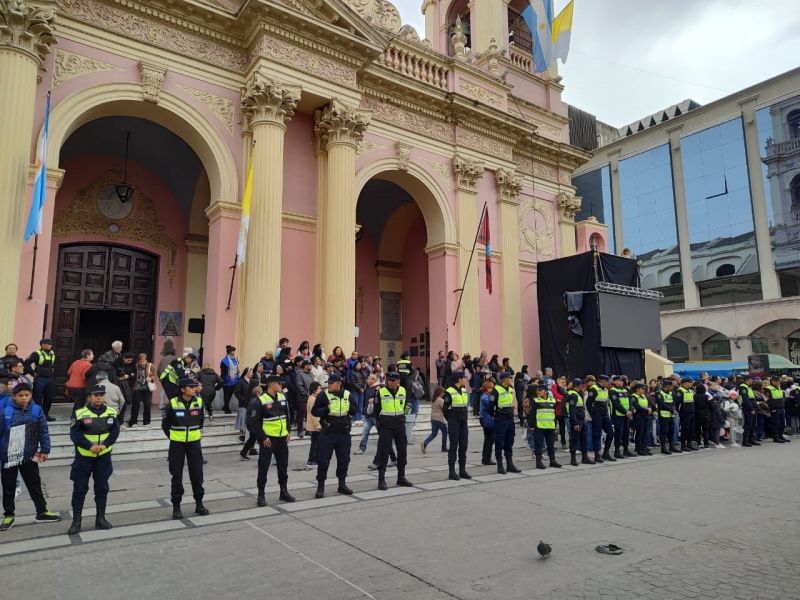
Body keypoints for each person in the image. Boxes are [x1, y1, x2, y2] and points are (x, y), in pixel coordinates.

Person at [0, 383, 61, 530]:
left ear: (31, 395)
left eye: (27, 395)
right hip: (9, 455)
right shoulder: (5, 411)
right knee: (8, 486)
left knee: (34, 484)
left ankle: (42, 512)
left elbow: (43, 431)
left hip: (28, 454)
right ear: (14, 396)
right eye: (20, 395)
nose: (24, 398)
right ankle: (9, 514)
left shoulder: (36, 409)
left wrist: (45, 450)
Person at [67, 384, 120, 535]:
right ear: (89, 397)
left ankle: (100, 518)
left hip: (103, 457)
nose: (99, 398)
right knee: (80, 489)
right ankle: (76, 521)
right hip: (84, 457)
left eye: (101, 395)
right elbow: (75, 435)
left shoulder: (111, 412)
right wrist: (90, 446)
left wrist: (104, 445)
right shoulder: (79, 413)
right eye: (95, 395)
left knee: (102, 488)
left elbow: (114, 433)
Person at [162, 378, 209, 519]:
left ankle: (199, 504)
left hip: (194, 443)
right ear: (182, 389)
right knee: (176, 476)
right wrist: (174, 436)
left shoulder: (199, 402)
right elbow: (165, 425)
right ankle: (176, 507)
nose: (194, 389)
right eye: (190, 387)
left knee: (197, 474)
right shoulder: (172, 404)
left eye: (194, 386)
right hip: (177, 444)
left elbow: (201, 421)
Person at [248, 375, 295, 506]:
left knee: (283, 467)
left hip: (282, 439)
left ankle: (283, 491)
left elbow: (287, 416)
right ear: (272, 384)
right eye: (280, 384)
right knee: (263, 468)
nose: (281, 386)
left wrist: (288, 431)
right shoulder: (259, 401)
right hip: (268, 440)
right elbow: (253, 423)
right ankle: (261, 495)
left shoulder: (282, 397)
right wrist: (262, 437)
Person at [311, 372, 356, 498]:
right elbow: (314, 411)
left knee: (344, 460)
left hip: (343, 433)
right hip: (328, 433)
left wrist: (350, 410)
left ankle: (342, 484)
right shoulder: (323, 395)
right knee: (323, 460)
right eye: (328, 383)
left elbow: (355, 409)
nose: (329, 385)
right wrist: (326, 409)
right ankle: (320, 487)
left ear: (339, 383)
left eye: (331, 383)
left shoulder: (348, 395)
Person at [374, 372, 413, 490]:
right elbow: (376, 412)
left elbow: (405, 405)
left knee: (402, 451)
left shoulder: (403, 391)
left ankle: (401, 477)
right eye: (389, 380)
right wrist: (380, 426)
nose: (390, 382)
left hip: (399, 425)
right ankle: (381, 480)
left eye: (393, 380)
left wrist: (403, 418)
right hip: (386, 426)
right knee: (384, 452)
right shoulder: (380, 392)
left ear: (398, 381)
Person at [443, 371, 471, 481]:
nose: (465, 379)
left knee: (463, 446)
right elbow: (445, 409)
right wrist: (451, 419)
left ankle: (462, 470)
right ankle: (452, 471)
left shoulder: (464, 390)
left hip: (464, 422)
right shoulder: (449, 391)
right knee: (453, 446)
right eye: (464, 378)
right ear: (459, 379)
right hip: (454, 422)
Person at [492, 372, 520, 474]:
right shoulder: (496, 389)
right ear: (504, 379)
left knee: (509, 441)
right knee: (499, 442)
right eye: (510, 378)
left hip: (510, 418)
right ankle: (500, 465)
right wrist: (496, 415)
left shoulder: (511, 389)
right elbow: (491, 405)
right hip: (501, 418)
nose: (511, 379)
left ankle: (510, 464)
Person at [528, 383, 560, 469]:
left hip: (550, 426)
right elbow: (532, 414)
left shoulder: (552, 400)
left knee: (551, 445)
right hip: (540, 426)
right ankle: (539, 462)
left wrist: (555, 424)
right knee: (538, 445)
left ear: (545, 391)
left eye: (540, 390)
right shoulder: (536, 400)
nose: (538, 392)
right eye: (537, 390)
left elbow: (554, 413)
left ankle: (552, 461)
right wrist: (531, 425)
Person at [24, 338, 57, 421]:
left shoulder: (52, 353)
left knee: (49, 397)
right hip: (40, 379)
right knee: (37, 397)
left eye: (50, 344)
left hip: (49, 379)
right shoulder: (36, 353)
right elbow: (26, 363)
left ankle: (46, 414)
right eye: (48, 344)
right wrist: (32, 373)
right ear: (42, 345)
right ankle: (37, 415)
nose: (50, 345)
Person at [586, 375, 615, 463]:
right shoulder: (594, 389)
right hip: (597, 415)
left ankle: (605, 453)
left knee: (610, 432)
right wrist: (593, 415)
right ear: (601, 381)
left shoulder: (606, 389)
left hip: (605, 414)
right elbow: (588, 404)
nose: (608, 383)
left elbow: (606, 403)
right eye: (606, 381)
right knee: (597, 435)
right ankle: (596, 455)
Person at [565, 378, 592, 466]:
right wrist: (575, 423)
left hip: (581, 420)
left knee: (584, 439)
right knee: (575, 440)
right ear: (579, 385)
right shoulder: (573, 395)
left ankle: (585, 458)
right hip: (577, 421)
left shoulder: (576, 394)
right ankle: (573, 460)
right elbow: (572, 411)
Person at [609, 374, 633, 459]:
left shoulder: (625, 389)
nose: (621, 382)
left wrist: (630, 410)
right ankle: (617, 451)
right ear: (614, 381)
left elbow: (630, 400)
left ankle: (626, 450)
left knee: (626, 433)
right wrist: (625, 411)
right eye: (619, 380)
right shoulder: (613, 390)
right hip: (618, 415)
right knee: (619, 434)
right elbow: (616, 404)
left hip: (626, 415)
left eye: (622, 380)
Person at [129, 353, 156, 427]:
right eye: (140, 361)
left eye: (143, 361)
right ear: (138, 360)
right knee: (136, 404)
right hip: (137, 387)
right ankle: (133, 422)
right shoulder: (135, 365)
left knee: (147, 404)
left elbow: (154, 375)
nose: (142, 363)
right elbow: (132, 374)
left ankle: (146, 422)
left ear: (146, 359)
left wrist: (151, 378)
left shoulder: (151, 365)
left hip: (147, 387)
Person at [356, 374, 380, 454]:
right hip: (368, 415)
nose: (367, 380)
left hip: (376, 416)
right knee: (364, 433)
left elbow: (380, 400)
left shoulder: (378, 389)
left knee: (382, 433)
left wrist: (374, 399)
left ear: (374, 380)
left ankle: (385, 448)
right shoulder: (368, 389)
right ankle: (362, 448)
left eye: (369, 379)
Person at [66, 349, 94, 417]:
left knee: (76, 404)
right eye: (92, 354)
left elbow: (68, 372)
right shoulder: (89, 365)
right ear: (87, 356)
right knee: (80, 406)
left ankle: (73, 417)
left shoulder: (75, 362)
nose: (93, 356)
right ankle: (77, 422)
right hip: (80, 388)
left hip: (70, 387)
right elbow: (85, 377)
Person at [421, 387, 448, 454]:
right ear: (440, 393)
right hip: (440, 419)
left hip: (433, 418)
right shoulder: (440, 400)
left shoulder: (433, 399)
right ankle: (444, 448)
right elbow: (445, 409)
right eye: (443, 393)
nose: (443, 394)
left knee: (434, 433)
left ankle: (425, 443)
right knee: (445, 433)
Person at [765, 375, 790, 443]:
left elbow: (782, 398)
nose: (777, 382)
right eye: (775, 381)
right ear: (772, 381)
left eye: (778, 381)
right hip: (775, 408)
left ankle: (780, 435)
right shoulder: (768, 388)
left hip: (781, 408)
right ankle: (776, 437)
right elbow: (768, 400)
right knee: (775, 423)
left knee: (782, 423)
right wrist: (772, 408)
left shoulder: (779, 388)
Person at [657, 379, 679, 454]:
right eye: (671, 386)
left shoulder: (671, 393)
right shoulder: (659, 393)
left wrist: (673, 409)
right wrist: (671, 409)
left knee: (671, 431)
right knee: (664, 432)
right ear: (667, 386)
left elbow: (673, 402)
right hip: (663, 415)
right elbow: (661, 404)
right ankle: (663, 448)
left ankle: (671, 446)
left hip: (670, 415)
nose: (672, 387)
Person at [674, 378, 697, 451]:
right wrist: (679, 412)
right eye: (689, 382)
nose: (691, 384)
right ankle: (683, 445)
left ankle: (689, 444)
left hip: (691, 412)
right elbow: (677, 402)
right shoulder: (680, 391)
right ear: (684, 383)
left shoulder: (690, 391)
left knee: (691, 429)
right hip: (684, 413)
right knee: (685, 429)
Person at [478, 379, 496, 466]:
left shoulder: (487, 395)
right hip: (487, 419)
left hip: (486, 418)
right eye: (491, 387)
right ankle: (486, 459)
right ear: (487, 388)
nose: (492, 389)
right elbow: (490, 406)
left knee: (489, 440)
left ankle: (486, 458)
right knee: (489, 439)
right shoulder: (485, 397)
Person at [738, 375, 760, 447]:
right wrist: (751, 409)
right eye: (752, 380)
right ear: (748, 380)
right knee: (748, 425)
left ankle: (751, 439)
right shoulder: (743, 387)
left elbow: (752, 398)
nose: (752, 381)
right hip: (748, 409)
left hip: (753, 408)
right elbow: (745, 399)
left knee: (753, 425)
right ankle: (745, 441)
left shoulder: (748, 387)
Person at [630, 382, 652, 456]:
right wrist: (647, 410)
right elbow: (637, 406)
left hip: (645, 416)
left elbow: (649, 404)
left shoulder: (644, 396)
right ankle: (639, 449)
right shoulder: (633, 397)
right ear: (637, 389)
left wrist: (650, 409)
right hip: (638, 417)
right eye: (642, 389)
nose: (644, 390)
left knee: (645, 433)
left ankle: (644, 448)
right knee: (640, 433)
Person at [295, 360, 314, 439]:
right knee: (301, 414)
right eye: (309, 365)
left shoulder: (311, 374)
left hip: (310, 397)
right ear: (305, 366)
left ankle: (308, 430)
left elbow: (313, 385)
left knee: (309, 414)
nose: (310, 366)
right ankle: (300, 430)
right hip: (302, 398)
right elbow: (299, 386)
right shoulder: (300, 374)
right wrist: (306, 394)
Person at [305, 381, 322, 468]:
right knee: (315, 443)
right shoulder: (312, 399)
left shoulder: (314, 398)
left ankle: (312, 459)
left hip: (314, 424)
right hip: (314, 425)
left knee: (315, 442)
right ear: (314, 390)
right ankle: (312, 460)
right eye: (319, 388)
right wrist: (318, 425)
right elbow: (313, 413)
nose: (320, 389)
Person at [219, 345, 240, 415]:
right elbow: (223, 372)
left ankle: (225, 406)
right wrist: (224, 381)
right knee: (226, 395)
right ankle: (227, 408)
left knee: (230, 394)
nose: (234, 352)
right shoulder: (224, 361)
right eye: (232, 351)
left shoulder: (236, 359)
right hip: (227, 381)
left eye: (234, 351)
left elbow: (237, 369)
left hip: (235, 380)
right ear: (229, 352)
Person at [694, 382, 712, 449]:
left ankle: (699, 443)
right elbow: (711, 406)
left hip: (697, 415)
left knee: (697, 430)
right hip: (706, 415)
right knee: (706, 430)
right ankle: (706, 444)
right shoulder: (707, 397)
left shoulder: (694, 396)